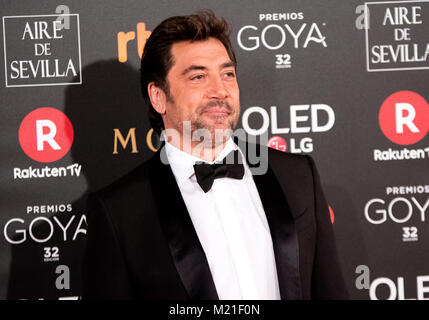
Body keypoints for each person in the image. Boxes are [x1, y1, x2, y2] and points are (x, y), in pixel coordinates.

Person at [82, 10, 348, 300]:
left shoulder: (297, 175)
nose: (219, 90)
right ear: (159, 97)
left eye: (227, 74)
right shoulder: (120, 212)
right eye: (198, 76)